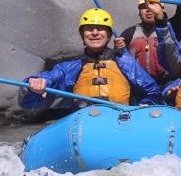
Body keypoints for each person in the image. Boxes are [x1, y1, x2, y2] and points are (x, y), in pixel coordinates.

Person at [18, 8, 162, 111]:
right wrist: (32, 84)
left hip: (119, 120)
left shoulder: (125, 63)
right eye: (89, 29)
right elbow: (30, 101)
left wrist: (146, 104)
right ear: (82, 35)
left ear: (108, 35)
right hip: (84, 122)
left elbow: (152, 91)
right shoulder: (71, 68)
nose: (94, 33)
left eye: (100, 29)